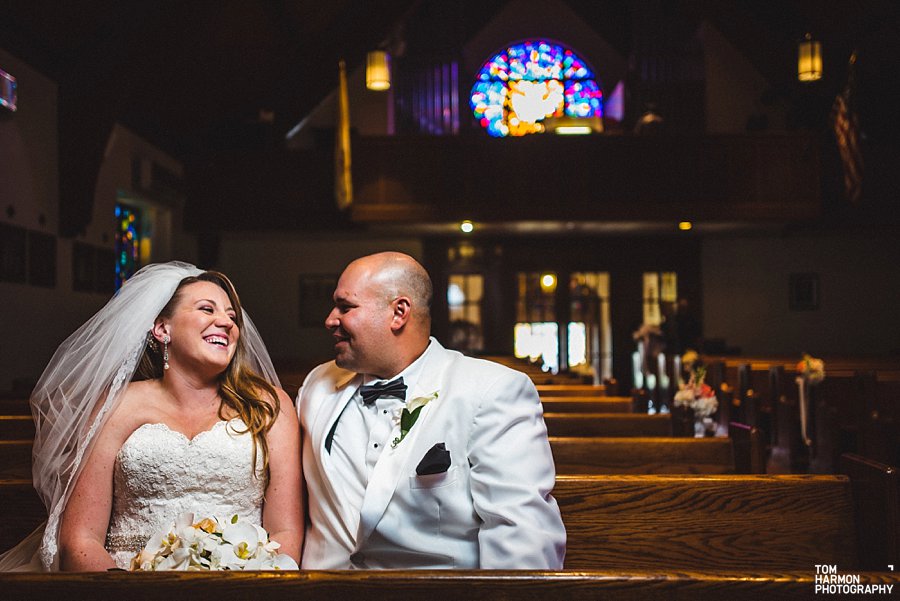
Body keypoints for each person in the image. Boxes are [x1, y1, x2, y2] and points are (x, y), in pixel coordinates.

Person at [0, 262, 302, 571]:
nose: (225, 323)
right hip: (122, 582)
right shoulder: (117, 405)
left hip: (243, 585)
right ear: (162, 329)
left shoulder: (267, 406)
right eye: (206, 309)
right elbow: (80, 539)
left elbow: (286, 533)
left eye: (231, 316)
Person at [298, 252, 565, 569]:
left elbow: (522, 540)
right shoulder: (317, 385)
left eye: (345, 307)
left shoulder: (492, 391)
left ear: (399, 312)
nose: (330, 319)